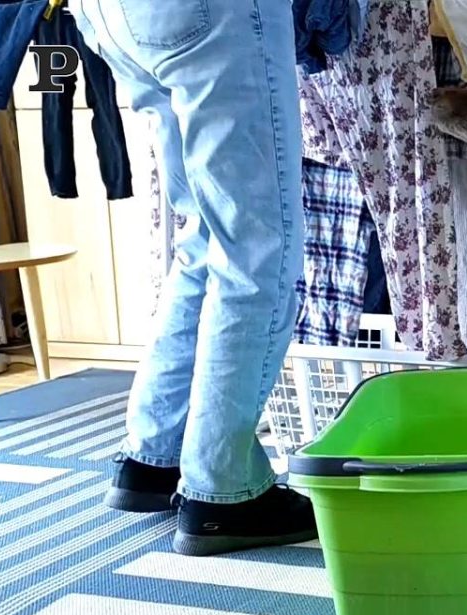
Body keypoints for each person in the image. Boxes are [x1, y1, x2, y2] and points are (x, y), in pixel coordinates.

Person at [68, 0, 316, 556]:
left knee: (206, 236)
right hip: (211, 11)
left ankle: (153, 458)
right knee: (254, 247)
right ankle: (223, 491)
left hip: (110, 14)